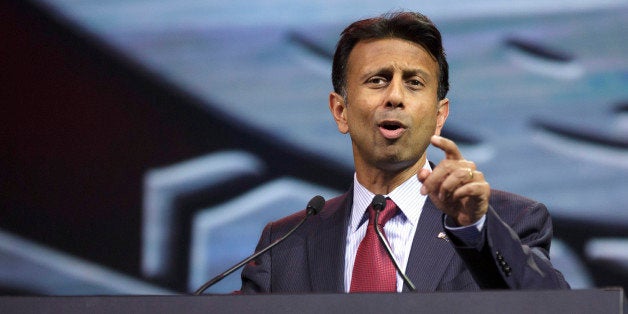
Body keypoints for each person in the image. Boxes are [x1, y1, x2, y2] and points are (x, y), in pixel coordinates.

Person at [240, 11, 570, 293]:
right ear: (341, 110)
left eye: (414, 82)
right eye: (377, 80)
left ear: (440, 116)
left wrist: (475, 226)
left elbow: (556, 309)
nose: (395, 96)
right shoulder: (283, 245)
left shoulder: (510, 220)